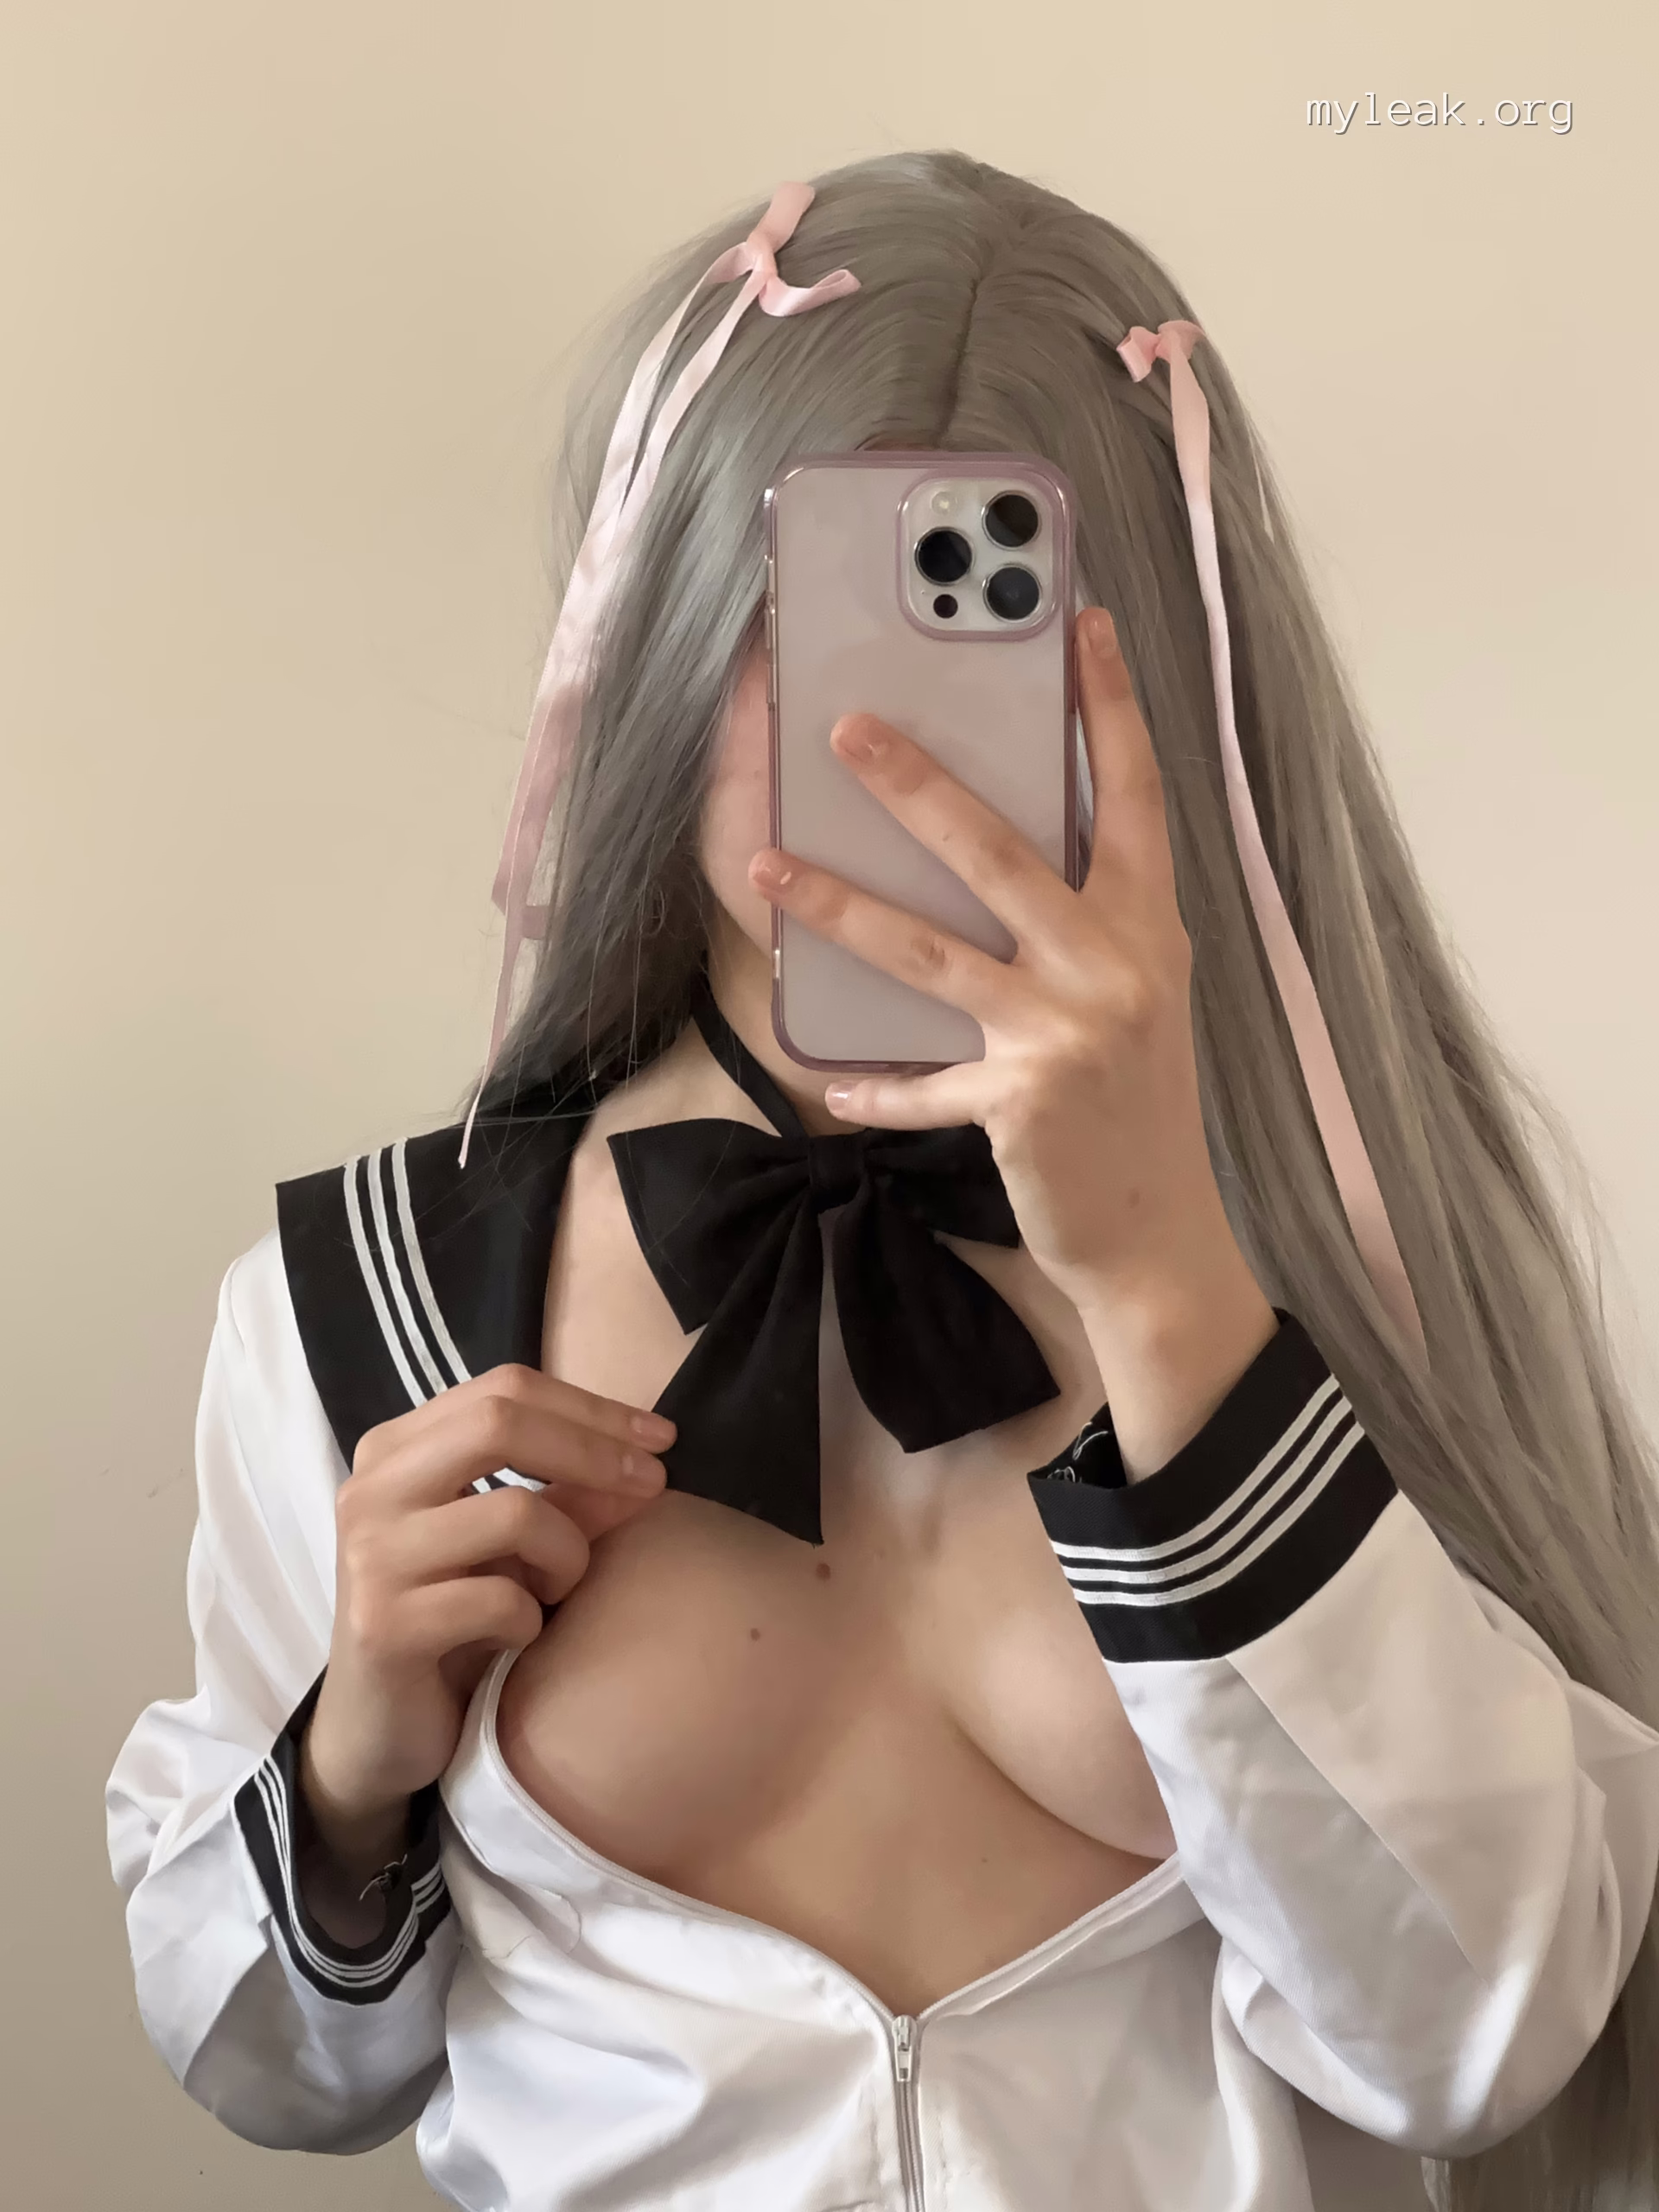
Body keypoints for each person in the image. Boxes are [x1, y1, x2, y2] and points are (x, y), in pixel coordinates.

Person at [107, 150, 1659, 2212]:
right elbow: (274, 2070)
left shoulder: (1345, 1271)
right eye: (800, 625)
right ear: (651, 639)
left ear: (1166, 686)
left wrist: (1175, 1290)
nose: (879, 745)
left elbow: (1483, 2038)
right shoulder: (369, 1303)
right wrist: (346, 1775)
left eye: (988, 642)